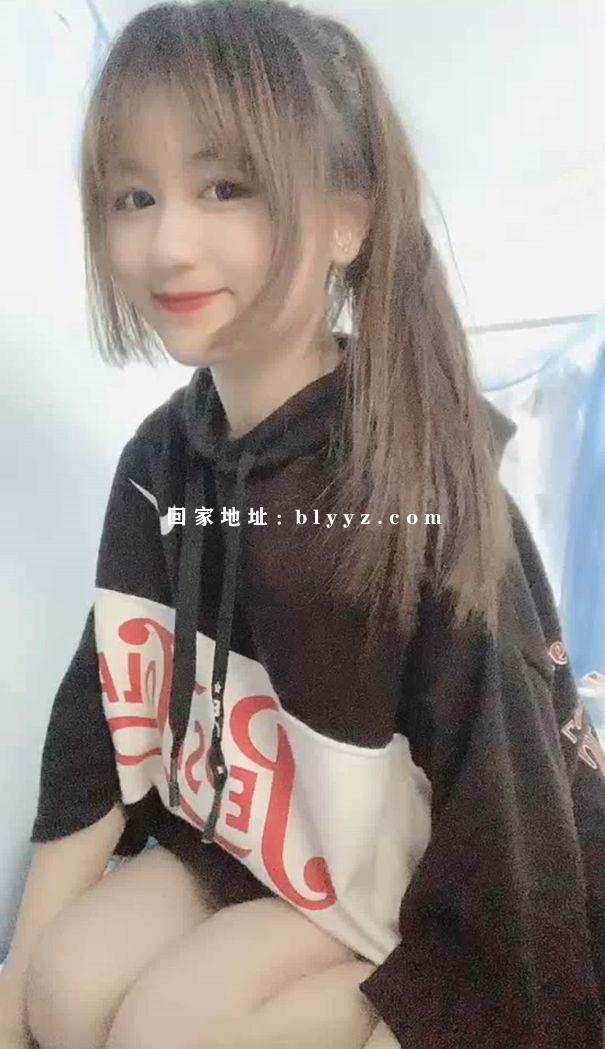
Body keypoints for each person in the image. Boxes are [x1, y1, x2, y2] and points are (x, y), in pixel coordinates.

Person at [1, 2, 604, 1047]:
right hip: (259, 844)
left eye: (224, 187)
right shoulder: (161, 458)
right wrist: (13, 988)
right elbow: (102, 715)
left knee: (162, 1031)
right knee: (59, 985)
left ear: (345, 220)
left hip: (425, 890)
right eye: (134, 195)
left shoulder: (421, 492)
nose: (167, 242)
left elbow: (513, 834)